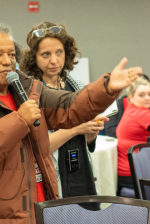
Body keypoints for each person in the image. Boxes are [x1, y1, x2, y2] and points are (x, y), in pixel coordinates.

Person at [0, 23, 142, 224]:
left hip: (39, 208)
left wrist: (106, 88)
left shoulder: (28, 90)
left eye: (11, 55)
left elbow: (70, 105)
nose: (7, 62)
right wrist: (19, 120)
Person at [20, 22, 107, 210]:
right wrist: (77, 128)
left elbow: (85, 142)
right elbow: (40, 147)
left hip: (81, 174)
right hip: (51, 179)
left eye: (59, 52)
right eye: (46, 54)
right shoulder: (31, 93)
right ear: (34, 58)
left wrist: (91, 131)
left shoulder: (75, 86)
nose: (54, 60)